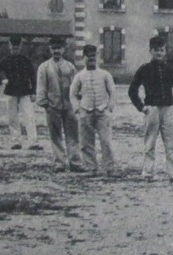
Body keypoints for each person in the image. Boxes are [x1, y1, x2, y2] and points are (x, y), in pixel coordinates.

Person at [129, 35, 173, 180]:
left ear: (165, 51)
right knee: (149, 142)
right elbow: (132, 90)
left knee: (172, 142)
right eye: (156, 50)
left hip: (169, 109)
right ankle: (148, 172)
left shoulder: (170, 69)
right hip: (152, 109)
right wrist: (141, 107)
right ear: (150, 51)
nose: (159, 53)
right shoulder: (144, 69)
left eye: (161, 50)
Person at [70, 43, 117, 176]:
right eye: (88, 57)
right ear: (83, 57)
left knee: (106, 141)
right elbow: (72, 94)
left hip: (102, 112)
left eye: (93, 56)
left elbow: (112, 91)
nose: (91, 59)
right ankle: (91, 167)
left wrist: (109, 107)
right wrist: (78, 110)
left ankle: (110, 168)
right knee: (86, 142)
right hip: (86, 111)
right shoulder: (79, 76)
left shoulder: (105, 74)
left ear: (96, 57)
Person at [35, 37, 80, 171]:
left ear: (63, 49)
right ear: (50, 49)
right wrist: (45, 104)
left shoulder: (70, 67)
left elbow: (76, 86)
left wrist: (76, 102)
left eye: (59, 48)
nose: (56, 51)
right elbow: (41, 87)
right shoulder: (44, 67)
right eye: (54, 48)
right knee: (56, 136)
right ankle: (59, 162)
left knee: (73, 135)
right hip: (52, 106)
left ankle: (75, 162)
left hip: (69, 106)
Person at [0, 36, 38, 149]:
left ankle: (33, 142)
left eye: (17, 47)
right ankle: (15, 141)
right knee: (12, 117)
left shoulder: (26, 61)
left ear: (20, 47)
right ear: (9, 46)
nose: (15, 50)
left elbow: (32, 76)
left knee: (29, 116)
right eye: (13, 47)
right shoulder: (5, 61)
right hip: (11, 92)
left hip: (25, 92)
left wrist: (33, 91)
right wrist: (1, 80)